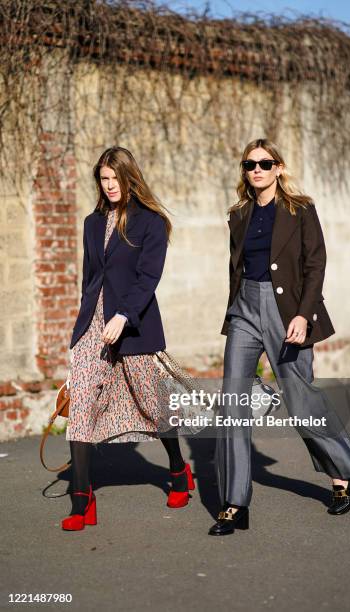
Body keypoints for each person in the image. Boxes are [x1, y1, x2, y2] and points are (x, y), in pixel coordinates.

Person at [209, 138, 350, 536]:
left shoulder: (300, 209)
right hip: (245, 309)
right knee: (233, 401)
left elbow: (316, 264)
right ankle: (234, 502)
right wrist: (234, 308)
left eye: (264, 163)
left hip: (288, 311)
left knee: (300, 399)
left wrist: (303, 314)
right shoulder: (239, 214)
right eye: (249, 164)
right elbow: (237, 268)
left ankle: (342, 474)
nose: (256, 170)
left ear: (279, 167)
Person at [61, 146, 194, 531]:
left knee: (151, 402)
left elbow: (148, 278)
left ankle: (178, 470)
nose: (110, 185)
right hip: (93, 328)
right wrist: (84, 322)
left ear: (129, 178)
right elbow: (90, 278)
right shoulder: (91, 222)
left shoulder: (150, 222)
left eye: (115, 178)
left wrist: (123, 314)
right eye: (104, 179)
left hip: (133, 324)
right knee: (82, 399)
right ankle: (81, 501)